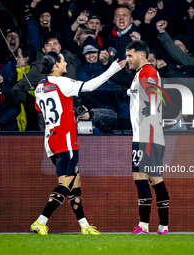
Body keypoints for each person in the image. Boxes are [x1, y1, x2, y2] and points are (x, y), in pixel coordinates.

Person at [31, 51, 126, 235]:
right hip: (66, 139)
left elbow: (39, 108)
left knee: (75, 182)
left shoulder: (39, 87)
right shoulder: (63, 82)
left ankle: (84, 226)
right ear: (56, 65)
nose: (66, 63)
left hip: (50, 140)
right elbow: (90, 86)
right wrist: (113, 69)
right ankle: (40, 220)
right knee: (66, 184)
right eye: (63, 61)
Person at [125, 40, 170, 235]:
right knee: (155, 179)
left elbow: (153, 93)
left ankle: (143, 226)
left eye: (130, 56)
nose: (127, 60)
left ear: (141, 55)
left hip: (146, 134)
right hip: (152, 133)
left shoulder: (147, 71)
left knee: (140, 178)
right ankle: (163, 227)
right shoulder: (140, 73)